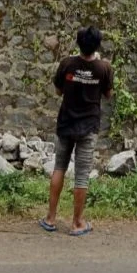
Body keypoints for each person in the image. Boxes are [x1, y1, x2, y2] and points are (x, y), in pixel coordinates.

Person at [40, 26, 113, 236]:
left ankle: (50, 218)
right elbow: (108, 95)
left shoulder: (67, 64)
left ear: (78, 43)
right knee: (81, 176)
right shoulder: (104, 68)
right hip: (88, 127)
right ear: (97, 45)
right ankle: (77, 223)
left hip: (65, 123)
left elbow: (58, 90)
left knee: (59, 167)